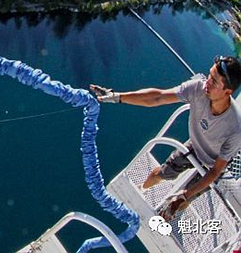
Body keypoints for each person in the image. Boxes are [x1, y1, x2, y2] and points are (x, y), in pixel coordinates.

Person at [90, 55, 241, 220]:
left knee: (183, 200)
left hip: (213, 162)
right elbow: (158, 97)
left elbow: (216, 170)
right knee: (162, 172)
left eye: (214, 82)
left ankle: (167, 215)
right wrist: (117, 97)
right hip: (195, 145)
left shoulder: (235, 128)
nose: (207, 82)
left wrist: (185, 195)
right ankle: (142, 188)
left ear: (228, 92)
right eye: (209, 75)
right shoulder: (198, 88)